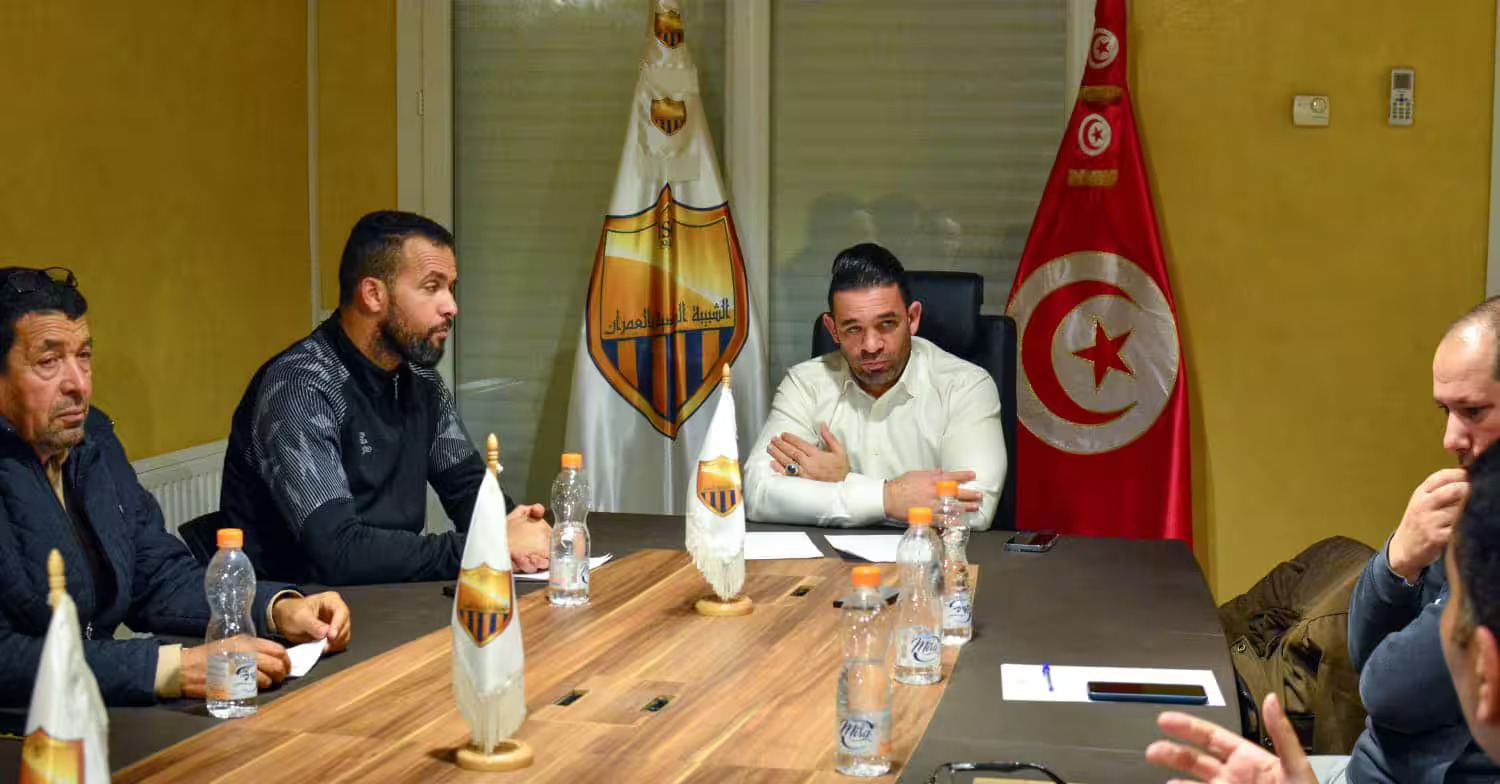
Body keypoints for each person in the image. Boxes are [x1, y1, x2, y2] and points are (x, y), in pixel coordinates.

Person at [1146, 300, 1500, 783]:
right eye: (1446, 411)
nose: (1450, 438)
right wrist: (1397, 561)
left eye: (1474, 411)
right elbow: (1366, 663)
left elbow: (1384, 691)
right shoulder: (1477, 500)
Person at [0, 267, 349, 707]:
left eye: (83, 356)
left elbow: (156, 574)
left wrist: (273, 608)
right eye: (49, 362)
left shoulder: (94, 442)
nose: (79, 384)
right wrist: (169, 668)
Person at [221, 210, 551, 585]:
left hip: (391, 598)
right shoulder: (300, 385)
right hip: (303, 610)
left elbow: (468, 491)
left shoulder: (420, 381)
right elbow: (338, 550)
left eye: (451, 287)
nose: (451, 306)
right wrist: (487, 547)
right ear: (373, 294)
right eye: (432, 287)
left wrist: (525, 533)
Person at [744, 243, 1006, 527]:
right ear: (833, 330)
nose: (871, 346)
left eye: (886, 324)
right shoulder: (805, 385)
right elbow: (758, 493)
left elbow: (973, 509)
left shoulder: (966, 386)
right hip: (829, 556)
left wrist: (844, 482)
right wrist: (889, 498)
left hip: (927, 553)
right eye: (853, 329)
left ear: (912, 318)